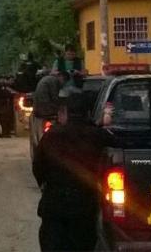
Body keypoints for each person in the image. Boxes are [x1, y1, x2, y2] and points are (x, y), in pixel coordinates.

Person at [32, 90, 107, 251]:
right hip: (84, 206)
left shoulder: (51, 136)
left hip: (54, 205)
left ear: (65, 112)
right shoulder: (97, 135)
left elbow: (38, 167)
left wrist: (46, 187)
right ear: (88, 112)